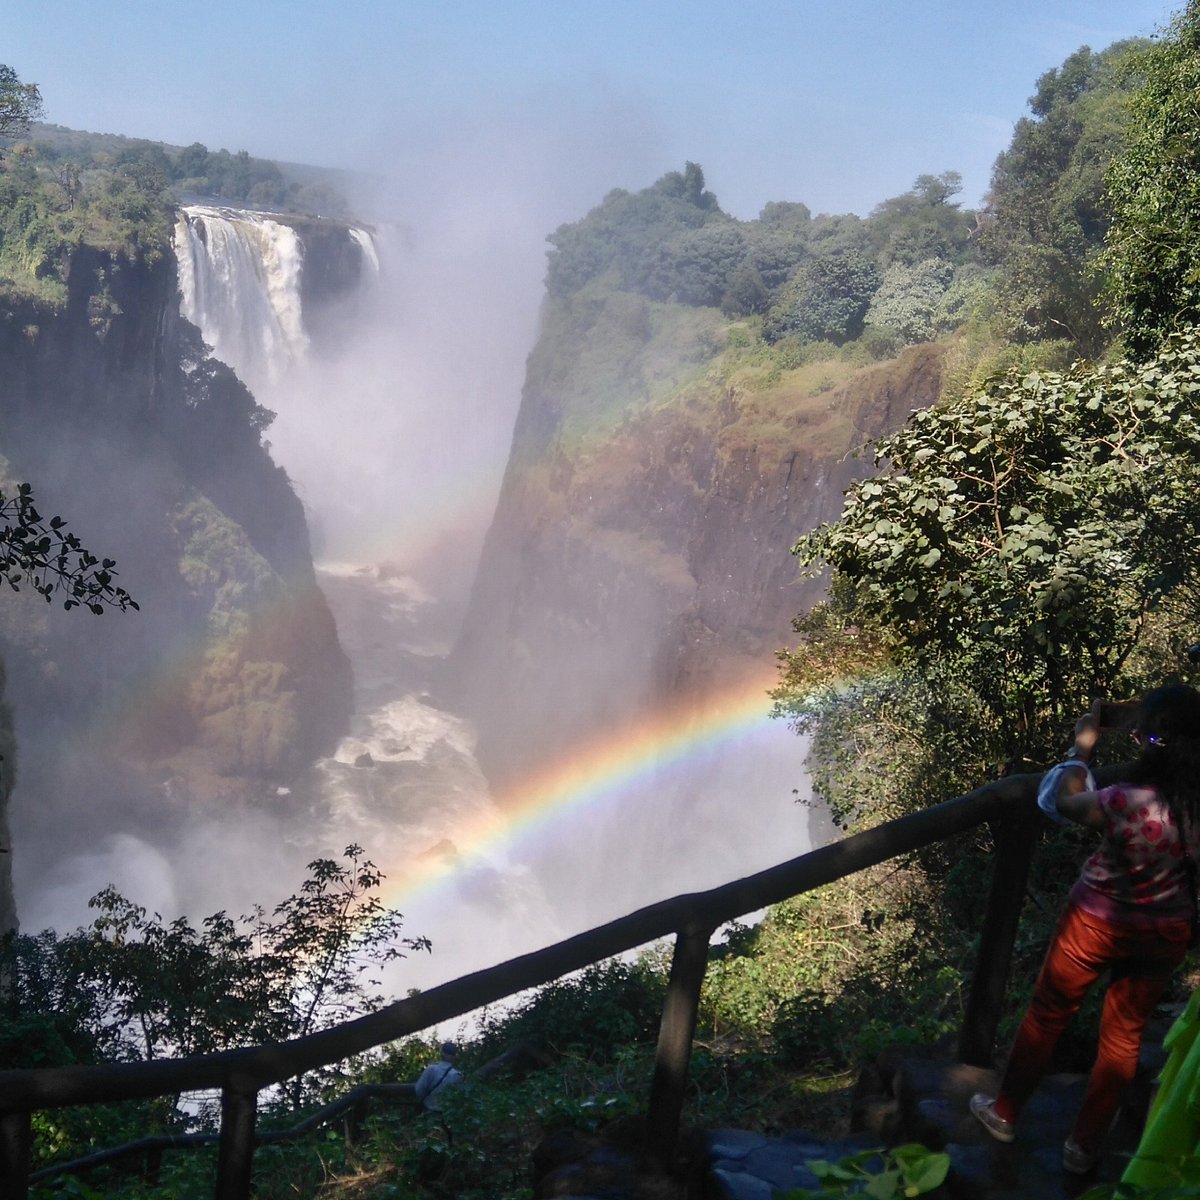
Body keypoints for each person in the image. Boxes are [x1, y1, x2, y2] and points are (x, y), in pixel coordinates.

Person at [970, 684, 1200, 1176]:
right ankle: (1084, 1146)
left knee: (1049, 1014)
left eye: (1143, 733)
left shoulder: (1126, 800)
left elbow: (1067, 801)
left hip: (1096, 921)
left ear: (1149, 742)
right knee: (1124, 1037)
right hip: (1165, 930)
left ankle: (1005, 1112)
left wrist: (1082, 747)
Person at [414, 1041, 463, 1112]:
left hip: (428, 1111)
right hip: (447, 1114)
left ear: (442, 1054)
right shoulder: (458, 1075)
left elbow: (419, 1090)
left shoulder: (430, 1069)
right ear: (455, 1056)